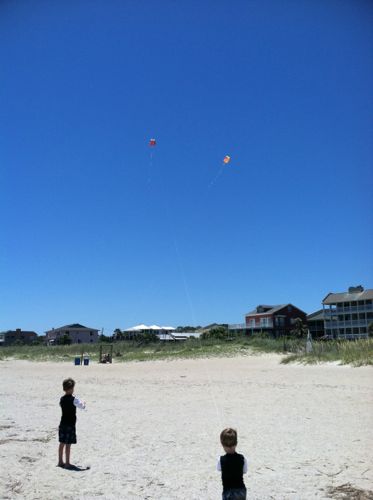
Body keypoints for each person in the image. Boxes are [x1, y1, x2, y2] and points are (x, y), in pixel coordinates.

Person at [58, 378, 84, 469]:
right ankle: (67, 463)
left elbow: (61, 405)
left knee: (61, 443)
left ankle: (60, 461)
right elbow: (82, 406)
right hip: (70, 424)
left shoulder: (62, 399)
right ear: (71, 389)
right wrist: (83, 402)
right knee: (68, 445)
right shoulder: (74, 399)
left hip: (62, 423)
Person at [217, 428, 248, 500]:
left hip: (228, 491)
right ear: (236, 443)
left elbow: (219, 469)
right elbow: (245, 471)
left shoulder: (221, 460)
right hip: (241, 490)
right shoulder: (242, 458)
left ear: (222, 444)